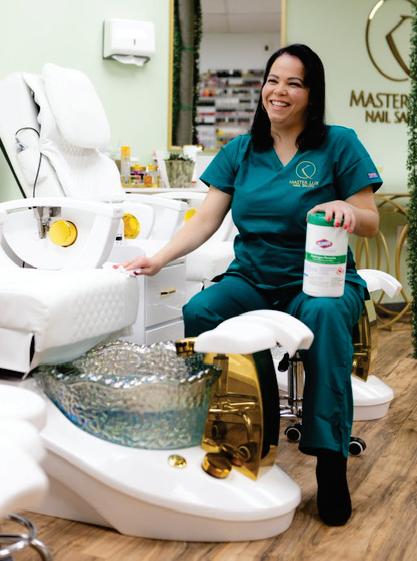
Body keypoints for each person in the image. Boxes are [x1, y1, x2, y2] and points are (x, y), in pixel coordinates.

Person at [120, 44, 381, 526]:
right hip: (254, 277)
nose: (279, 91)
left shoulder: (338, 144)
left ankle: (330, 460)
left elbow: (370, 220)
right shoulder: (241, 151)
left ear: (311, 93)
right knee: (201, 311)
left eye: (294, 83)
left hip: (319, 278)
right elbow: (205, 221)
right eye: (273, 80)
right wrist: (157, 259)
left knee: (325, 316)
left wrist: (349, 210)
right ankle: (233, 431)